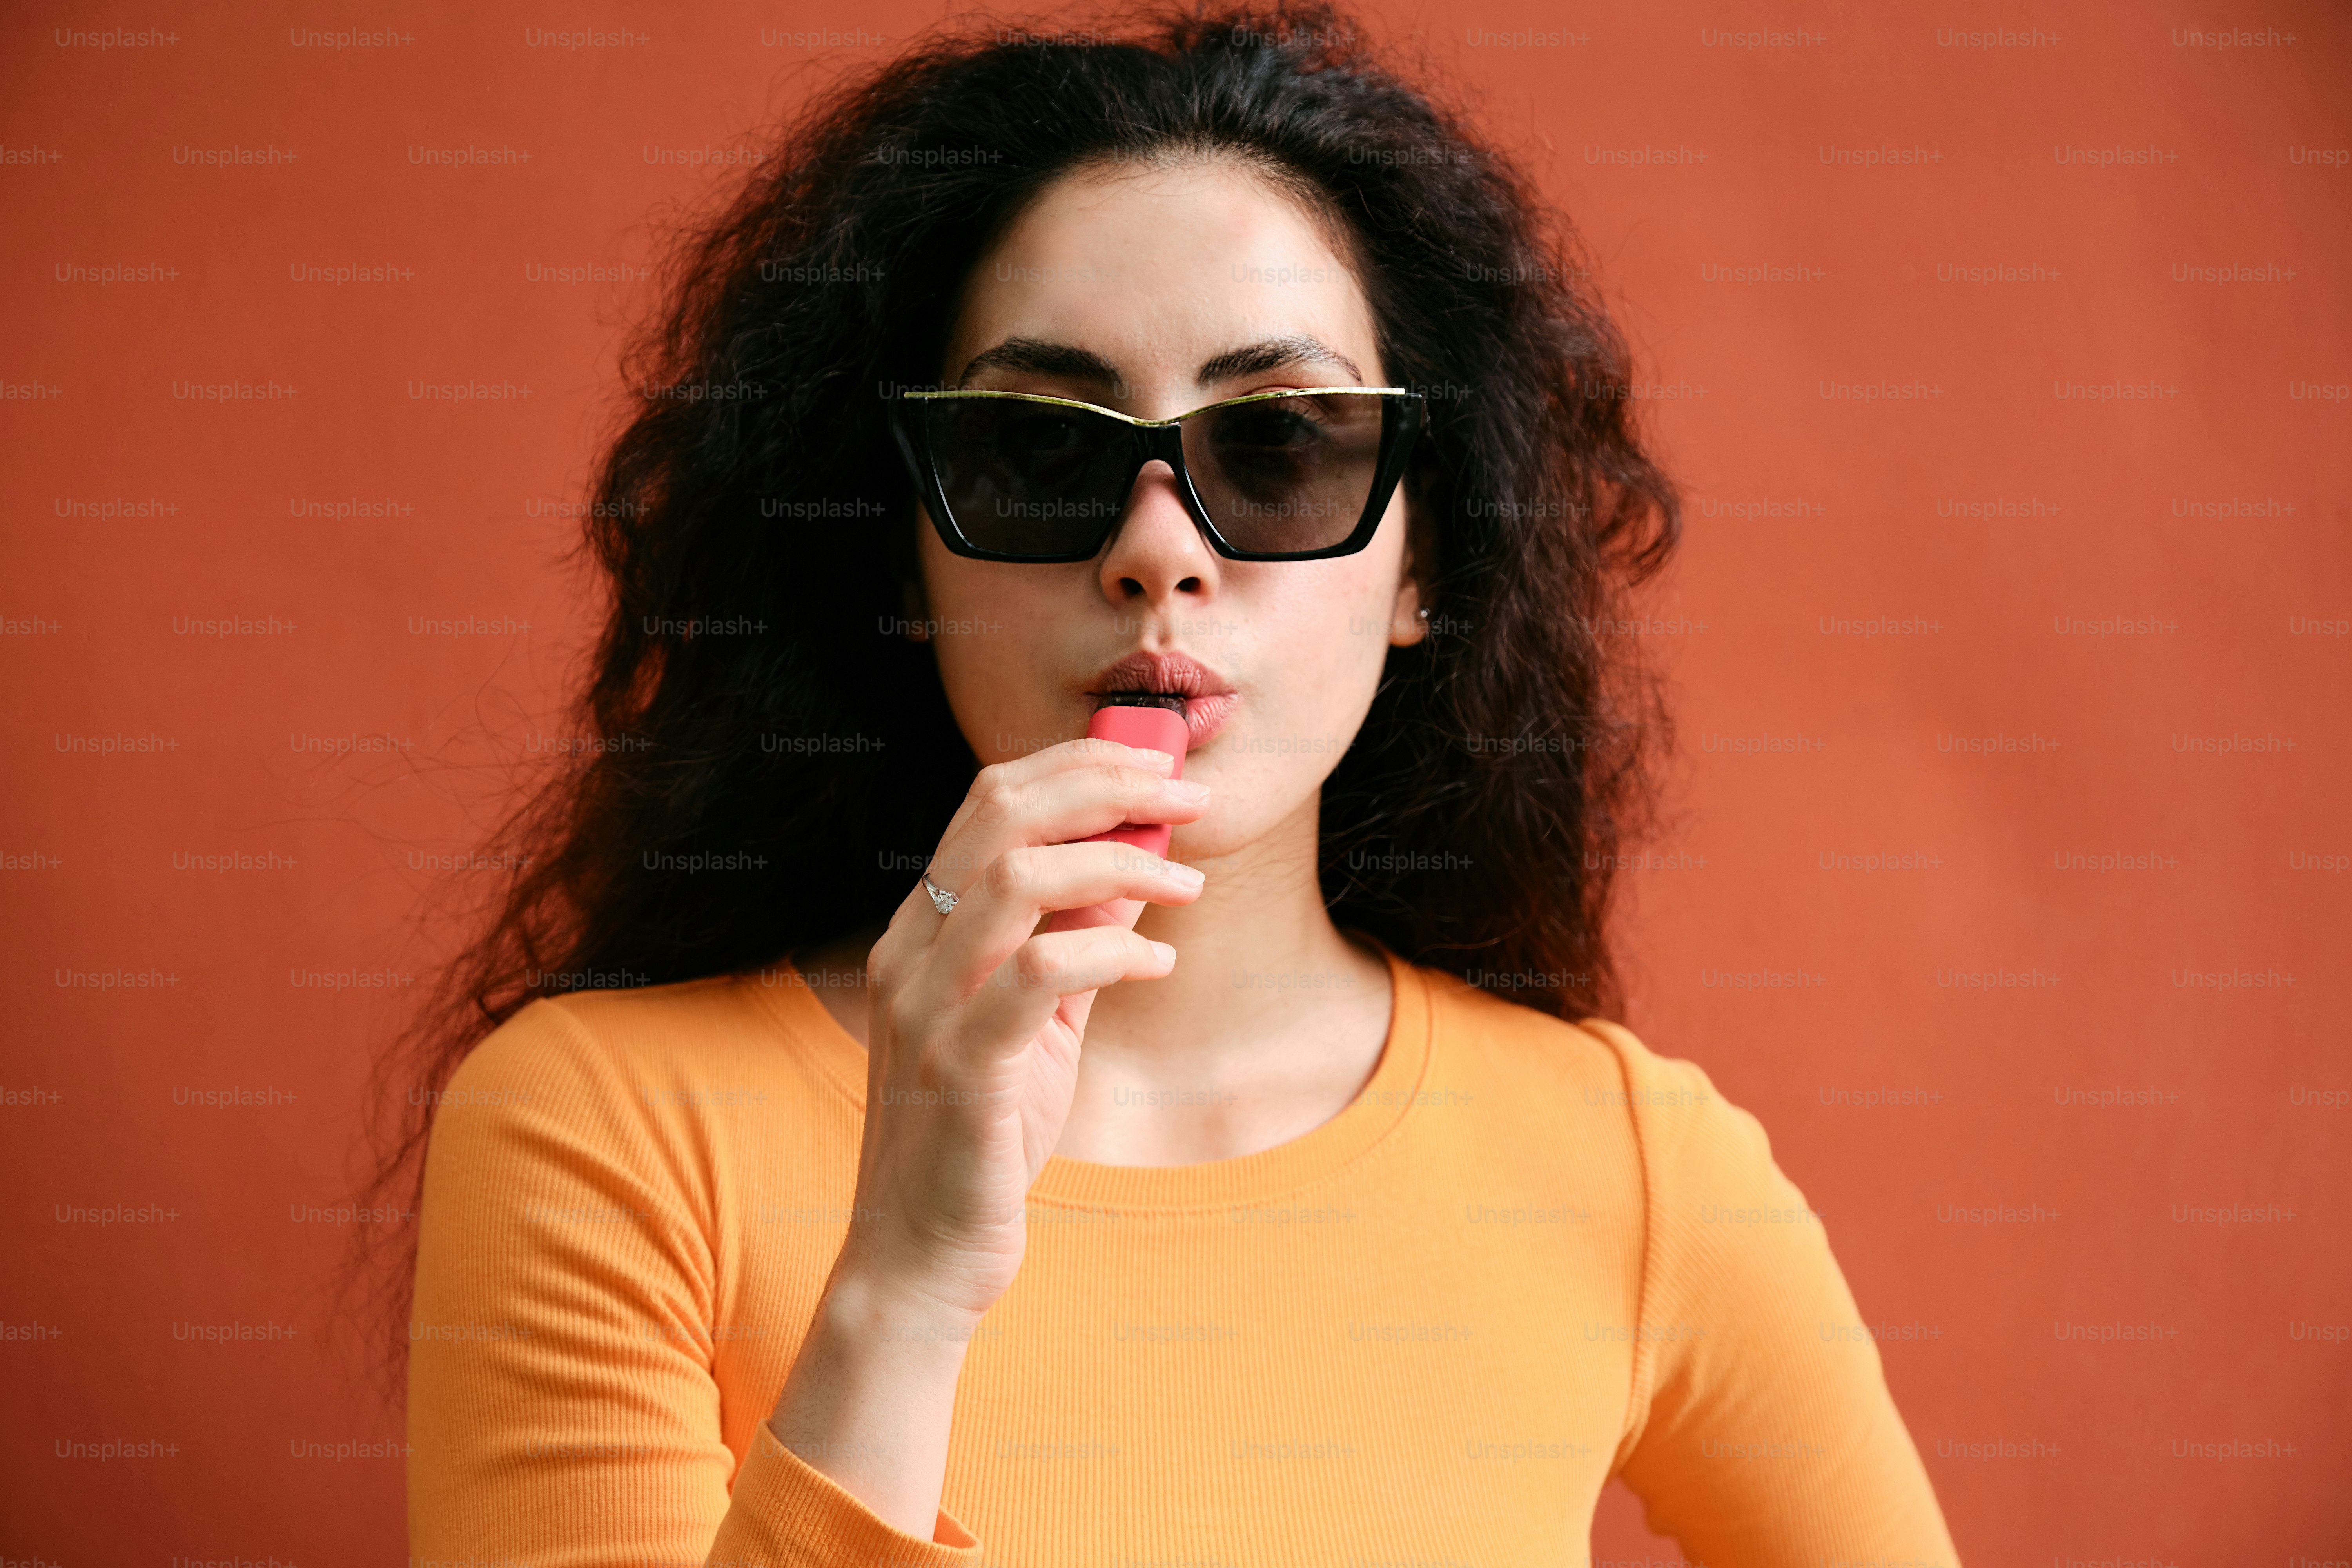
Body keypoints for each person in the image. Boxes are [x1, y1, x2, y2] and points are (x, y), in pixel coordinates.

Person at [385, 6, 1963, 1563]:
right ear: (910, 550)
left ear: (1428, 561)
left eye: (1280, 442)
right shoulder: (598, 1127)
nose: (1158, 547)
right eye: (1036, 449)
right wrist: (908, 1282)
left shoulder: (1630, 1160)